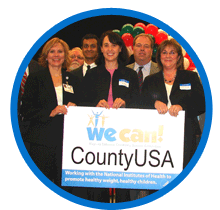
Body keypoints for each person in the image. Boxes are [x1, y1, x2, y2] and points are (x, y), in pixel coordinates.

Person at [80, 31, 140, 202]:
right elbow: (82, 101)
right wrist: (95, 104)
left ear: (120, 48)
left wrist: (126, 102)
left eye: (114, 45)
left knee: (122, 180)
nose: (110, 49)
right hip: (97, 134)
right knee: (98, 182)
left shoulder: (130, 75)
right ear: (101, 49)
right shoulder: (92, 74)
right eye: (106, 45)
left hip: (123, 134)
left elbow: (138, 102)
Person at [20, 37, 80, 191]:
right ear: (46, 56)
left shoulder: (73, 79)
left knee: (65, 187)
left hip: (66, 143)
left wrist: (76, 107)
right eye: (52, 51)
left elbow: (80, 104)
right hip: (41, 142)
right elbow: (26, 110)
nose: (56, 55)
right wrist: (51, 112)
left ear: (65, 55)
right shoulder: (35, 79)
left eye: (60, 51)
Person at [141, 39, 205, 170]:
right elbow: (140, 103)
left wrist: (183, 107)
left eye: (172, 52)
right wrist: (154, 103)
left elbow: (201, 103)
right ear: (159, 57)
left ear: (179, 57)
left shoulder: (190, 77)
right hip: (156, 136)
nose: (168, 56)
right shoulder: (150, 80)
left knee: (184, 172)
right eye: (164, 52)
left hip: (186, 135)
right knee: (158, 172)